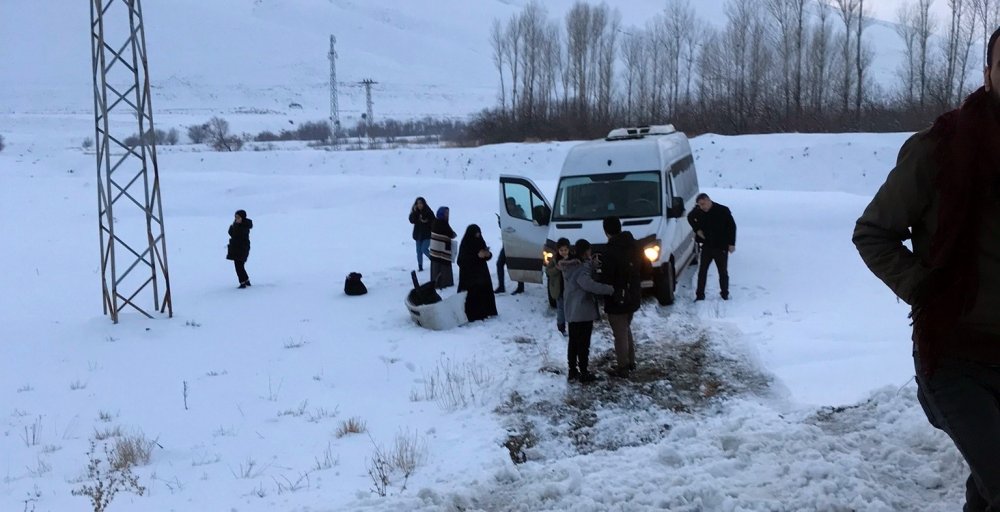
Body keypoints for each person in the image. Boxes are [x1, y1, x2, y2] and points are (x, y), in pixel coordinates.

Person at [853, 27, 1000, 512]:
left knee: (988, 488)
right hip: (955, 359)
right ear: (988, 74)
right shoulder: (940, 148)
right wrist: (927, 288)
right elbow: (873, 232)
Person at [559, 239, 614, 383]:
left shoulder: (570, 266)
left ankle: (572, 371)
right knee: (583, 344)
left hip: (572, 309)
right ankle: (583, 372)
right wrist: (609, 289)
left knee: (573, 342)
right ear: (585, 252)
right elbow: (588, 284)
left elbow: (584, 270)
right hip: (582, 310)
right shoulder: (580, 269)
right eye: (589, 250)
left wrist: (591, 265)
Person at [596, 216, 642, 378]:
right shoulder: (633, 244)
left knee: (620, 333)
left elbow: (607, 277)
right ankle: (630, 361)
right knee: (626, 328)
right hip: (633, 293)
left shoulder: (609, 251)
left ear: (606, 231)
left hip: (617, 297)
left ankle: (623, 367)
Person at [687, 193, 737, 301]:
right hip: (707, 246)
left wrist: (731, 243)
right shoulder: (699, 211)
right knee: (702, 271)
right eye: (699, 205)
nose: (702, 207)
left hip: (721, 246)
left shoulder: (722, 210)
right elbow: (690, 217)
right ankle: (700, 295)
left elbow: (732, 227)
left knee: (722, 271)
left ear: (708, 200)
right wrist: (697, 230)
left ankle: (724, 294)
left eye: (703, 204)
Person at [457, 224, 498, 322]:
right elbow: (461, 261)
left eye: (479, 233)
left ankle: (486, 312)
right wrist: (477, 256)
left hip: (482, 273)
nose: (478, 235)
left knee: (483, 293)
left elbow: (486, 253)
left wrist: (488, 254)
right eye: (476, 233)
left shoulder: (480, 241)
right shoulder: (466, 244)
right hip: (469, 276)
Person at [544, 238, 572, 335]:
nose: (563, 252)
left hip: (570, 289)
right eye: (561, 250)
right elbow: (548, 271)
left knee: (571, 309)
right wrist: (557, 269)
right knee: (561, 309)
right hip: (559, 289)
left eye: (565, 250)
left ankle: (572, 326)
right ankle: (561, 327)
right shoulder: (555, 260)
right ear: (558, 250)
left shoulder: (572, 259)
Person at [494, 210, 525, 295]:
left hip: (517, 243)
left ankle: (520, 287)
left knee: (517, 264)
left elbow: (521, 227)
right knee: (499, 264)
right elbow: (504, 228)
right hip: (507, 243)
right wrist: (500, 221)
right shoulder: (507, 213)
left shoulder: (519, 213)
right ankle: (501, 286)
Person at [429, 206, 457, 289]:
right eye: (446, 213)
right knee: (443, 267)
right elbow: (451, 234)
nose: (447, 215)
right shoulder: (442, 224)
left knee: (436, 267)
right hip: (441, 249)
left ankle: (437, 282)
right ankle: (444, 282)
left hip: (436, 250)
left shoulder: (436, 222)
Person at [226, 209, 253, 288]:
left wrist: (235, 226)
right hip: (236, 249)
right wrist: (233, 225)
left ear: (242, 218)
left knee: (239, 267)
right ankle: (246, 280)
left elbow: (237, 234)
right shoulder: (236, 225)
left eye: (238, 217)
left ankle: (242, 282)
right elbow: (231, 233)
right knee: (240, 266)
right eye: (235, 217)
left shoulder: (244, 226)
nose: (236, 219)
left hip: (242, 249)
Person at [409, 197, 434, 272]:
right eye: (418, 203)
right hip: (418, 235)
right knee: (418, 251)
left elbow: (433, 222)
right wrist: (414, 212)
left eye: (421, 203)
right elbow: (411, 220)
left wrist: (426, 221)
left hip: (427, 235)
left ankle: (434, 261)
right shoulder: (415, 212)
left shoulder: (428, 211)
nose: (419, 205)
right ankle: (420, 266)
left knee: (424, 249)